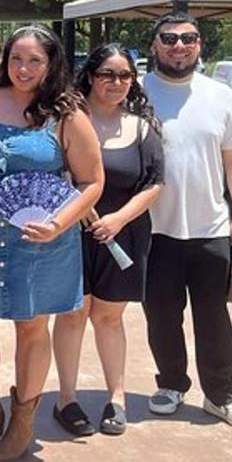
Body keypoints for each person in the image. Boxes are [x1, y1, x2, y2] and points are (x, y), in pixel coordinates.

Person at [0, 26, 104, 462]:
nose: (23, 69)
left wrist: (59, 223)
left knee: (32, 327)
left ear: (51, 64)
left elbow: (92, 181)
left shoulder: (67, 114)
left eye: (35, 61)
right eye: (16, 59)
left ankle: (22, 421)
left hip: (42, 238)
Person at [140, 13, 232, 433]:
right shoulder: (136, 92)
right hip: (154, 228)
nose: (179, 46)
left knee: (213, 316)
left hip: (210, 227)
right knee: (161, 315)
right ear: (155, 45)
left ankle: (222, 395)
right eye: (169, 38)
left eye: (188, 38)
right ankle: (171, 384)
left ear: (199, 45)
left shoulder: (220, 96)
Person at [52, 45, 164, 437]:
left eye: (124, 76)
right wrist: (75, 207)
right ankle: (66, 399)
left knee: (108, 317)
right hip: (71, 233)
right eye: (107, 74)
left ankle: (116, 397)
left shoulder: (142, 128)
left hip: (124, 233)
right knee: (72, 315)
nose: (116, 83)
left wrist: (118, 219)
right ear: (90, 76)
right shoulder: (66, 121)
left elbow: (155, 184)